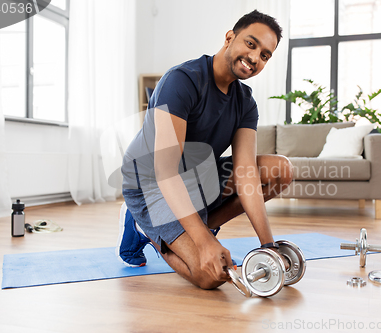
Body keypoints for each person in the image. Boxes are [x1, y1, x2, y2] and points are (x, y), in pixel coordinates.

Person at [117, 10, 293, 290]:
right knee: (208, 275)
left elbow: (246, 172)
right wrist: (203, 242)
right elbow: (165, 172)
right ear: (229, 37)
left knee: (280, 171)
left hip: (197, 179)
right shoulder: (182, 81)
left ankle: (195, 226)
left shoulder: (245, 103)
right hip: (151, 185)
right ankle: (143, 226)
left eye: (265, 55)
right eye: (251, 44)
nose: (255, 57)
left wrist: (269, 246)